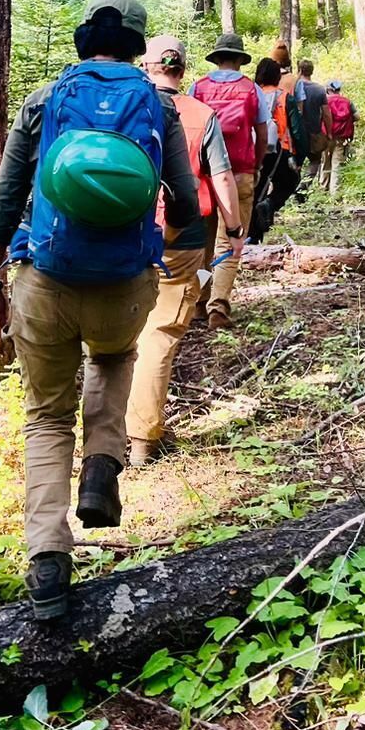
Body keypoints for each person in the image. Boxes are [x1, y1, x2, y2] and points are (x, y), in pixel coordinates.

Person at [0, 0, 199, 622]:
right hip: (125, 283)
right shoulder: (158, 105)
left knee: (46, 417)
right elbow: (184, 205)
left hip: (44, 279)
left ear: (84, 38)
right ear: (136, 44)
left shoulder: (44, 102)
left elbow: (3, 205)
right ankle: (102, 464)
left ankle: (47, 560)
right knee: (115, 355)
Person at [125, 36, 243, 465]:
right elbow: (223, 177)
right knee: (159, 333)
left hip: (121, 233)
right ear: (182, 69)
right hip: (179, 235)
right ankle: (140, 438)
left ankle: (102, 438)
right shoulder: (199, 113)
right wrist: (234, 227)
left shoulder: (124, 104)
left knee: (115, 329)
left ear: (147, 65)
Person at [191, 32, 269, 327]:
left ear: (217, 58)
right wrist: (256, 164)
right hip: (239, 174)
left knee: (204, 244)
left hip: (204, 176)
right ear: (239, 60)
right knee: (230, 243)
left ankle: (199, 301)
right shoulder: (251, 89)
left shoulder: (198, 87)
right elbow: (262, 134)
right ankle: (218, 308)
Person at [253, 57, 301, 232]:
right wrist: (300, 155)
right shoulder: (284, 97)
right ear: (276, 77)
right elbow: (296, 129)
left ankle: (252, 233)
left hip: (252, 148)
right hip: (280, 149)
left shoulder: (251, 93)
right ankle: (270, 204)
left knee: (256, 189)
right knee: (290, 181)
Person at [293, 59, 333, 197]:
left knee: (296, 161)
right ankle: (303, 187)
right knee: (315, 161)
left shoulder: (293, 86)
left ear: (299, 70)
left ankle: (292, 187)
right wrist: (329, 133)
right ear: (312, 71)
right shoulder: (319, 89)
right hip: (314, 132)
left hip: (296, 132)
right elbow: (326, 113)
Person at [320, 81, 359, 198]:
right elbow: (357, 117)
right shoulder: (347, 102)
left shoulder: (325, 101)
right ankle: (335, 193)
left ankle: (323, 191)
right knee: (337, 164)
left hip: (326, 137)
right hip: (341, 138)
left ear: (328, 89)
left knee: (325, 163)